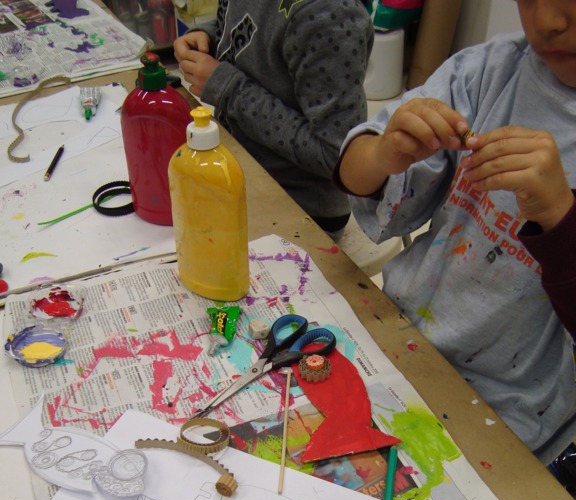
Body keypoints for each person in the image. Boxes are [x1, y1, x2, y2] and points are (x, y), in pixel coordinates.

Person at [337, 0, 576, 467]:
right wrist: (385, 153)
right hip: (399, 335)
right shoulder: (489, 70)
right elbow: (352, 169)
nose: (547, 22)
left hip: (504, 416)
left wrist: (559, 216)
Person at [173, 0, 373, 238]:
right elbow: (253, 24)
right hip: (237, 168)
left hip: (299, 207)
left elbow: (338, 155)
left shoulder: (329, 15)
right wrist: (208, 35)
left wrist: (229, 89)